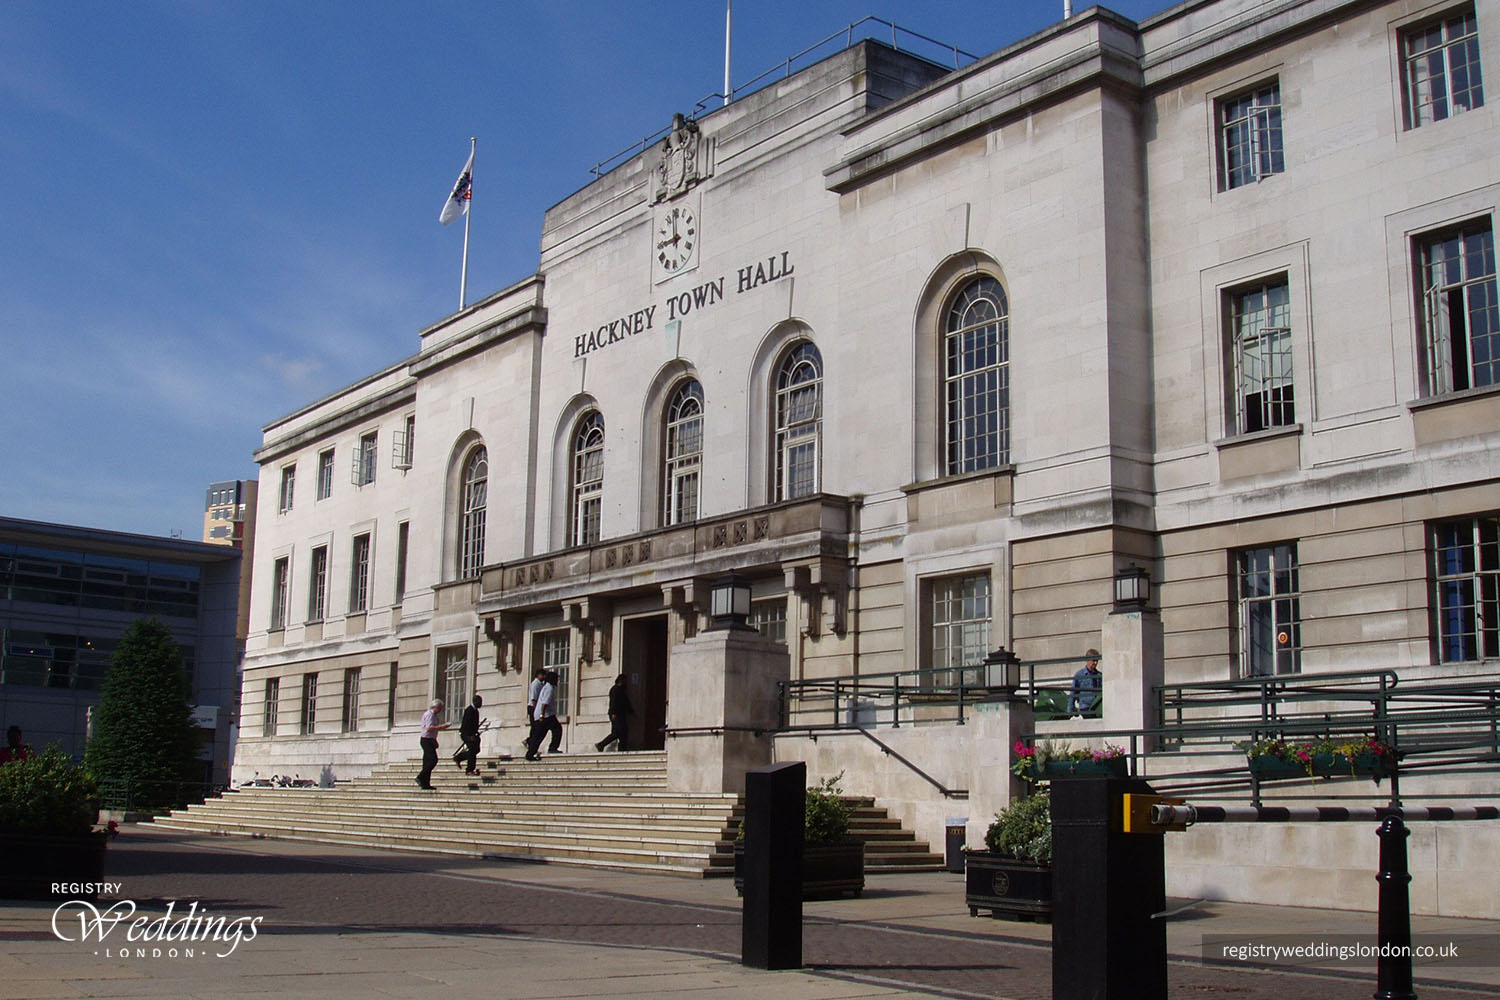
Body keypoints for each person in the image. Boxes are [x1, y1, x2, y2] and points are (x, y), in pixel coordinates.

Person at [525, 671, 562, 760]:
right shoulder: (549, 688)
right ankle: (553, 748)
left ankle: (530, 754)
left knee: (539, 735)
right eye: (556, 678)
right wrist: (542, 715)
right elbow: (544, 703)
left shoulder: (546, 687)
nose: (557, 680)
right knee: (557, 729)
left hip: (543, 715)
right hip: (546, 715)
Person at [415, 699, 449, 789]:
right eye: (440, 708)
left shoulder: (434, 716)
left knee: (427, 762)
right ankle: (421, 776)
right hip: (426, 739)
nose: (441, 710)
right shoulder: (429, 715)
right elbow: (429, 728)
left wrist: (435, 739)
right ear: (436, 707)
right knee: (433, 760)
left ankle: (425, 783)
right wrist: (442, 726)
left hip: (430, 739)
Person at [595, 674, 633, 752]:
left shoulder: (621, 690)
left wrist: (631, 711)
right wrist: (613, 713)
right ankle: (601, 744)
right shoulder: (615, 690)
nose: (626, 682)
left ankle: (622, 749)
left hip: (621, 715)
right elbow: (614, 702)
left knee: (623, 732)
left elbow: (626, 702)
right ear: (621, 681)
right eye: (625, 680)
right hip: (616, 715)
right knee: (618, 732)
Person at [452, 694, 483, 775]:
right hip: (466, 734)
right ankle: (469, 770)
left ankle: (459, 758)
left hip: (472, 734)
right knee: (472, 750)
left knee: (476, 750)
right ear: (476, 702)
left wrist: (476, 732)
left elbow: (474, 725)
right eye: (480, 702)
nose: (481, 704)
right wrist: (469, 737)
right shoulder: (469, 710)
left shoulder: (476, 711)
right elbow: (466, 725)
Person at [1068, 649, 1102, 717]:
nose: (1095, 663)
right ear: (1088, 660)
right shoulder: (1079, 675)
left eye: (1097, 661)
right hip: (1085, 708)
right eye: (1094, 660)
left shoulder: (1099, 676)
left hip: (1097, 708)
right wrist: (1070, 710)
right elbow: (1073, 693)